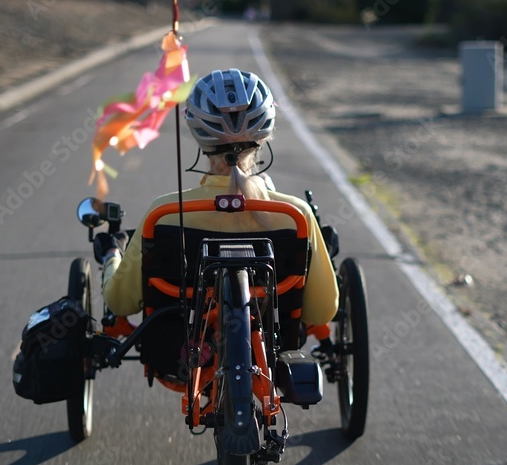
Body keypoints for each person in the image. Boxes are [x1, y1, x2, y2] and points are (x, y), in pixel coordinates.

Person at [96, 68, 339, 329]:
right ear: (264, 133)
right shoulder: (296, 214)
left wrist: (112, 255)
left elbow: (120, 303)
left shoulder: (164, 213)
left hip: (178, 356)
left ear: (197, 133)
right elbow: (321, 312)